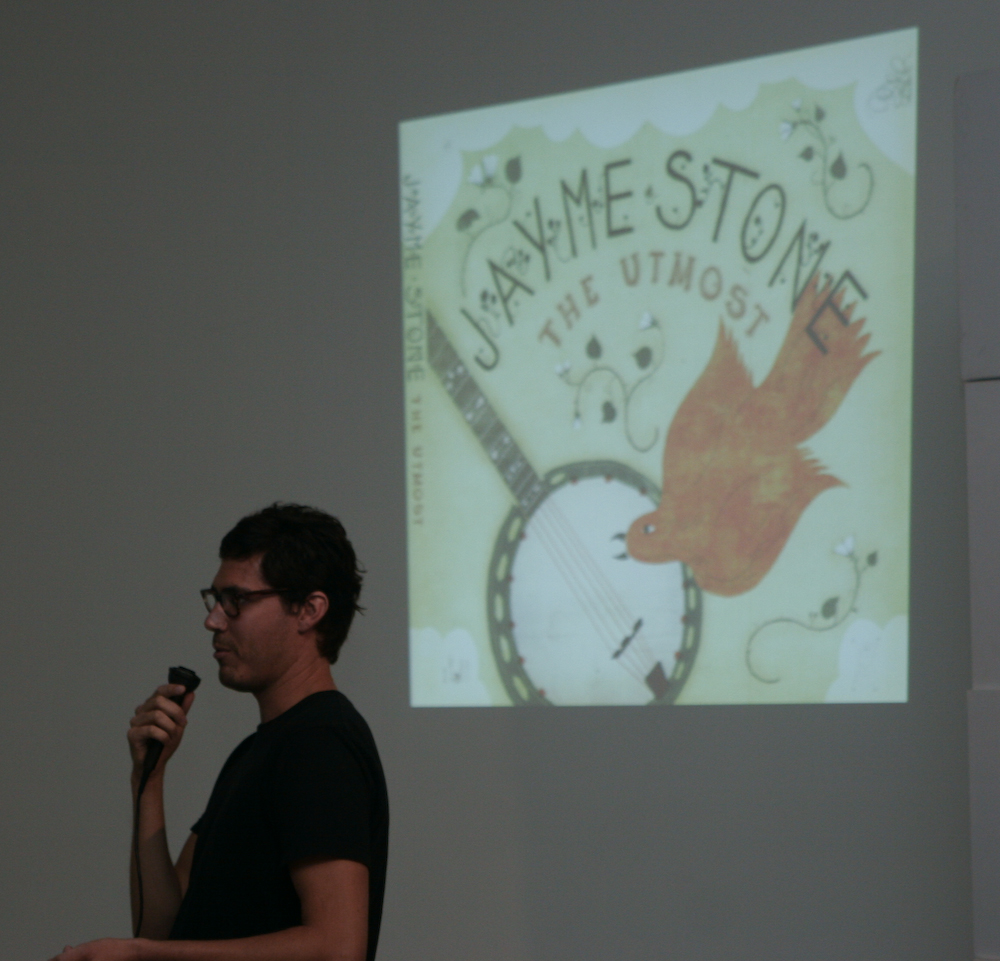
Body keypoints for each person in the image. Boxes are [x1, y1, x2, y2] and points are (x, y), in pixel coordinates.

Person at [51, 504, 389, 961]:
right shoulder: (259, 750)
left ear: (309, 610)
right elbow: (162, 927)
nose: (213, 620)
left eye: (237, 600)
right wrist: (148, 781)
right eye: (215, 599)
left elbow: (337, 948)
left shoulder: (320, 744)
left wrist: (140, 954)